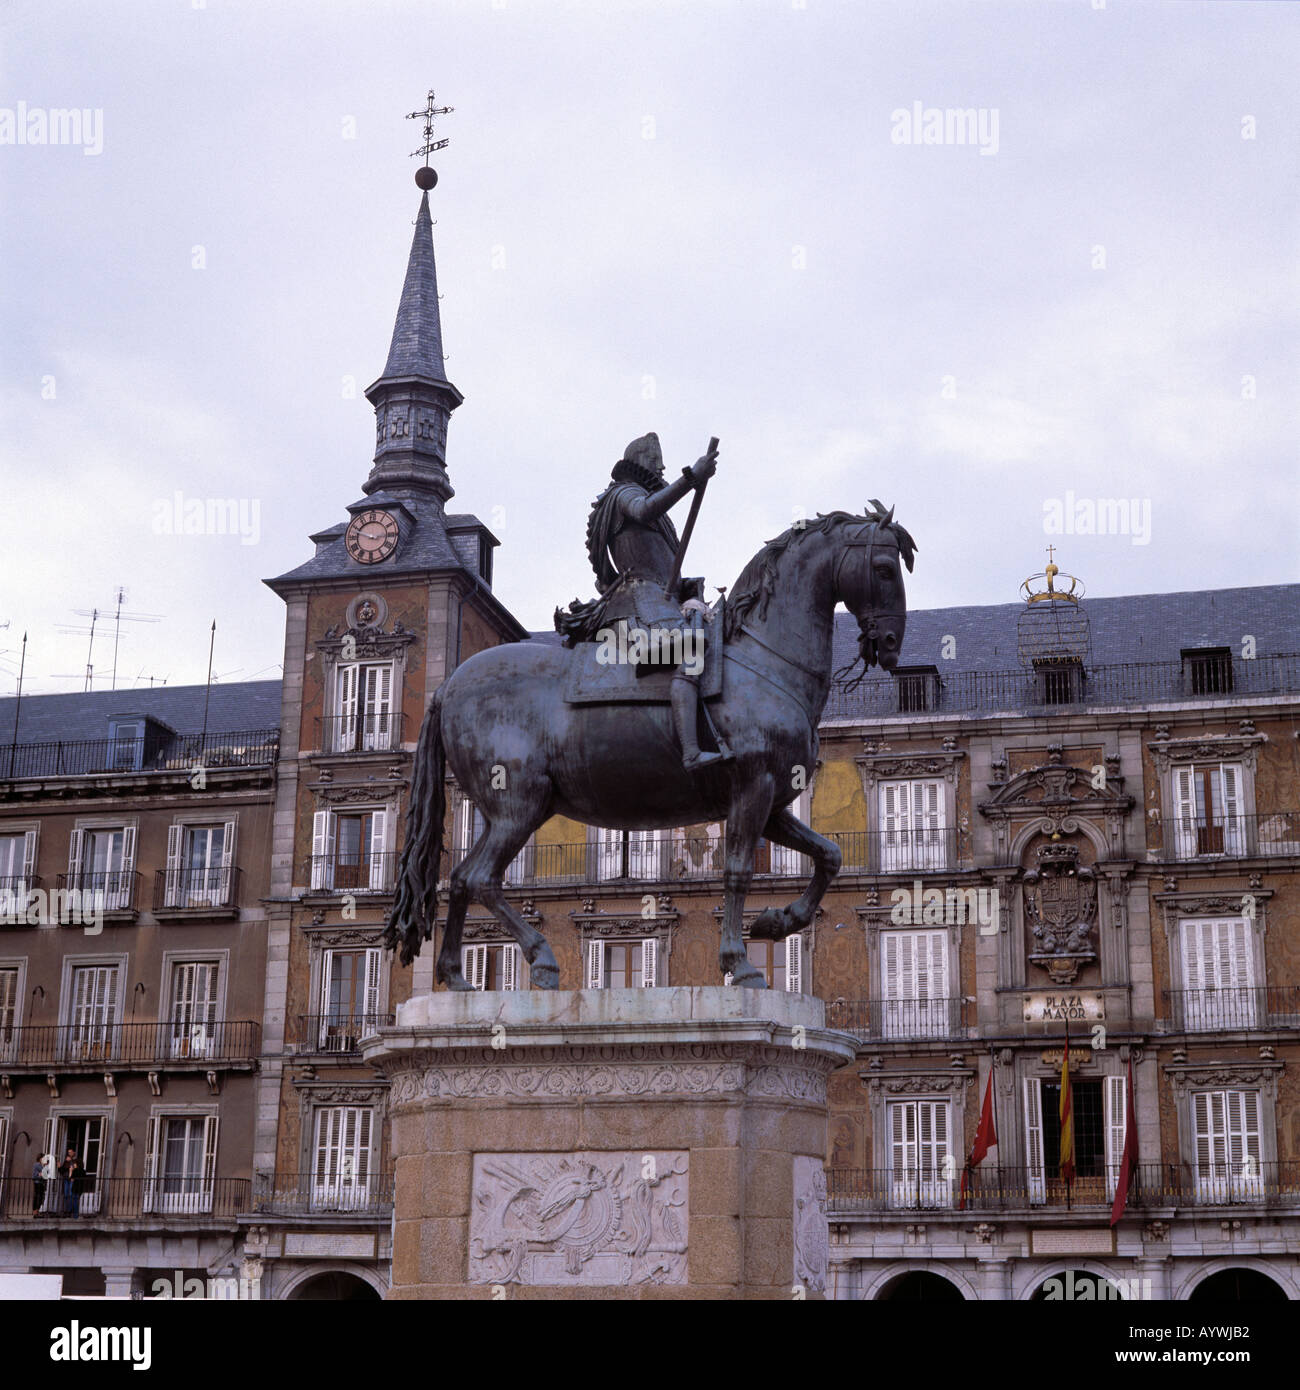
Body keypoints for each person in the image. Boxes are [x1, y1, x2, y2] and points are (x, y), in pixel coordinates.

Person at [557, 432, 729, 771]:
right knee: (690, 649)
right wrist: (691, 477)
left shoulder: (653, 508)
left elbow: (664, 563)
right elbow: (645, 508)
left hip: (660, 601)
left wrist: (685, 587)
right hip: (637, 603)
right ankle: (691, 751)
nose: (663, 466)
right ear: (640, 461)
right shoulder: (623, 494)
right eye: (656, 460)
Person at [58, 1147, 84, 1218]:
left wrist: (71, 1161)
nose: (69, 1153)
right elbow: (62, 1171)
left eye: (70, 1152)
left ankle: (71, 1211)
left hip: (72, 1180)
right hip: (66, 1179)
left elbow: (76, 1168)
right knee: (66, 1195)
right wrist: (59, 1167)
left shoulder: (76, 1160)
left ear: (74, 1153)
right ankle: (67, 1210)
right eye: (68, 1152)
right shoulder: (66, 1161)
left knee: (71, 1195)